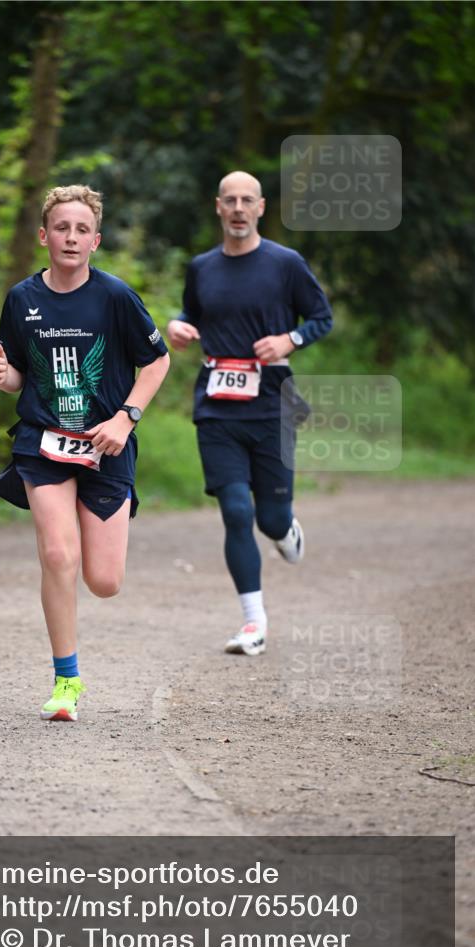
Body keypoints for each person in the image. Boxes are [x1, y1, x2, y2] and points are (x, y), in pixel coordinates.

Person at [0, 185, 169, 720]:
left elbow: (155, 363)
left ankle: (71, 668)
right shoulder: (22, 299)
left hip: (106, 446)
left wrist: (125, 417)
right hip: (42, 443)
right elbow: (18, 370)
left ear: (96, 240)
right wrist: (5, 377)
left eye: (81, 229)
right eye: (61, 228)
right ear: (44, 236)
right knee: (58, 555)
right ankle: (66, 680)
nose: (71, 237)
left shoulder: (116, 297)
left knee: (104, 581)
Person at [167, 171, 332, 656]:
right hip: (217, 407)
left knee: (270, 519)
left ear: (261, 208)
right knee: (237, 512)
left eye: (248, 200)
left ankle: (286, 529)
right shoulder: (201, 267)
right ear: (218, 207)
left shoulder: (286, 263)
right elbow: (191, 313)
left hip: (272, 405)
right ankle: (253, 622)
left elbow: (321, 317)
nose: (238, 208)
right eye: (230, 200)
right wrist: (179, 327)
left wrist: (290, 339)